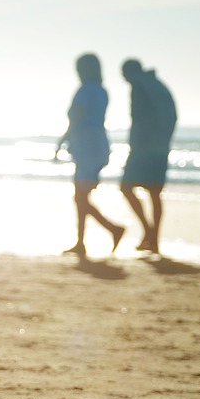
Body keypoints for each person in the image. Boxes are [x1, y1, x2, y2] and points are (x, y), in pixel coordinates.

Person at [57, 53, 125, 256]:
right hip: (98, 145)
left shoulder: (85, 91)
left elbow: (76, 119)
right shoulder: (102, 90)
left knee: (80, 196)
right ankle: (85, 241)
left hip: (86, 147)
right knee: (81, 196)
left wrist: (62, 141)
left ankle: (108, 231)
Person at [119, 59, 177, 254]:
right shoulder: (157, 85)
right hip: (160, 147)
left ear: (129, 72)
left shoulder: (138, 85)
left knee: (126, 187)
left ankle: (148, 232)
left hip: (143, 147)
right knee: (154, 193)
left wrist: (136, 144)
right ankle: (153, 239)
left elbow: (139, 117)